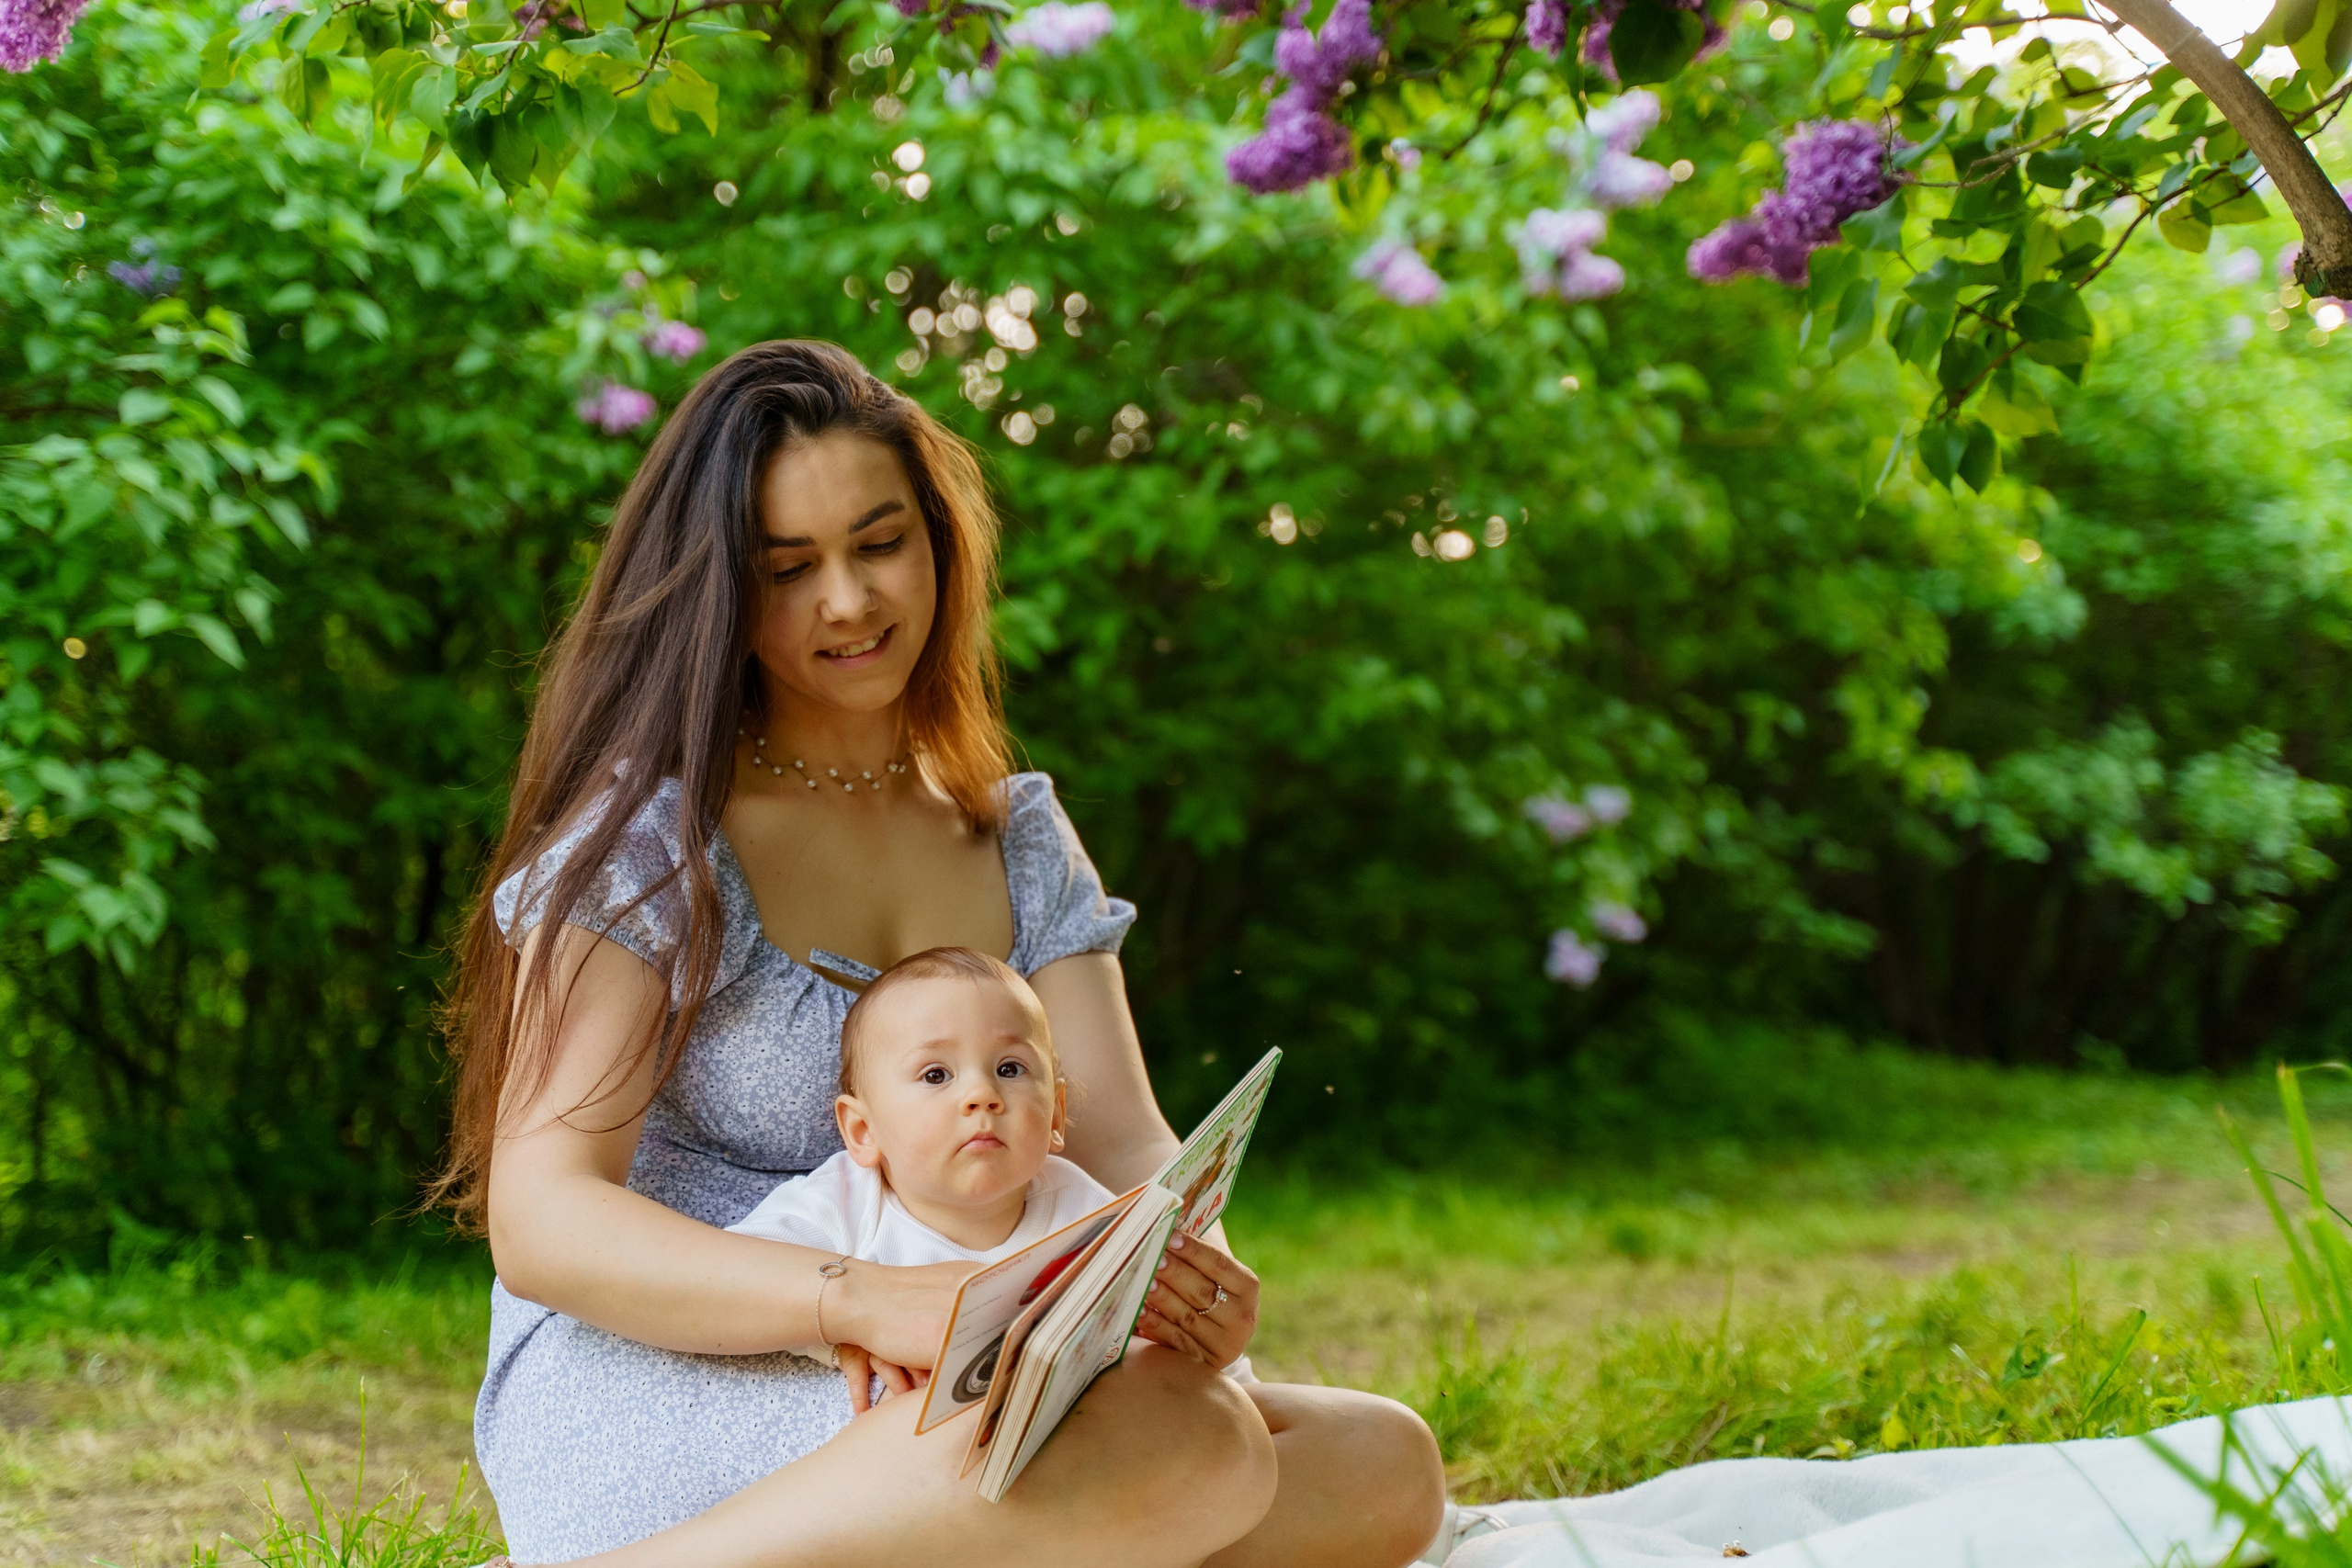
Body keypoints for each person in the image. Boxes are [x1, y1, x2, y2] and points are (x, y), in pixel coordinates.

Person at [435, 340, 1446, 1566]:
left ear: (940, 542)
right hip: (678, 1361)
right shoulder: (652, 840)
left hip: (977, 1364)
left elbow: (1123, 1139)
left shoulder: (1012, 831)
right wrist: (863, 1301)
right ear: (720, 594)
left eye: (880, 542)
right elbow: (543, 1218)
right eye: (789, 568)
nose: (849, 601)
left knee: (1383, 1461)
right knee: (1194, 1453)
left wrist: (1197, 1277)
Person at [727, 944, 1252, 1393]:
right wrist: (842, 1334)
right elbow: (735, 1284)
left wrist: (1212, 1351)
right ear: (864, 1132)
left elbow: (1148, 1331)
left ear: (1056, 1115)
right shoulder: (841, 1205)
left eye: (1009, 1068)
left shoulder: (1085, 1211)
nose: (982, 1094)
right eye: (936, 1075)